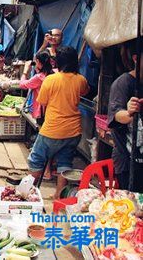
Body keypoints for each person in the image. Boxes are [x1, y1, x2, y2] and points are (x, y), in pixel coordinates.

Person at [27, 47, 89, 198]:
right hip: (73, 131)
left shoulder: (51, 79)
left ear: (58, 62)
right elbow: (85, 91)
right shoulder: (81, 79)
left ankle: (28, 193)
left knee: (36, 160)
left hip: (52, 129)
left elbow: (42, 101)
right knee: (65, 163)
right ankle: (58, 197)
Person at [108, 41, 143, 192]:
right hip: (128, 162)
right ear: (136, 59)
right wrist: (129, 112)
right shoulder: (123, 83)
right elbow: (116, 115)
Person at [19, 51, 54, 121]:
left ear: (38, 61)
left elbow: (22, 85)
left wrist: (25, 71)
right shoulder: (54, 73)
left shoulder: (39, 77)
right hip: (52, 109)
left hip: (42, 111)